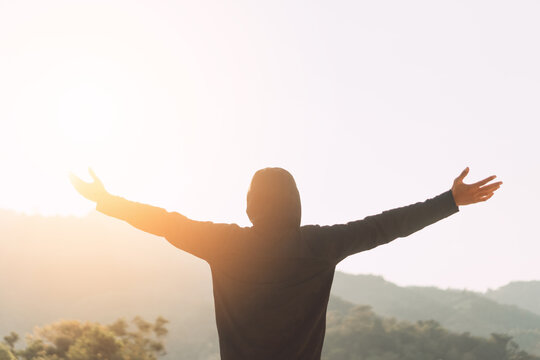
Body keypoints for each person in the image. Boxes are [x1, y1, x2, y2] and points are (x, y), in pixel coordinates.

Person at [70, 166, 501, 360]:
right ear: (295, 203)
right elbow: (385, 226)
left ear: (251, 205)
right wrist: (449, 201)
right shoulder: (318, 245)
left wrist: (106, 201)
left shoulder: (225, 243)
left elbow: (164, 223)